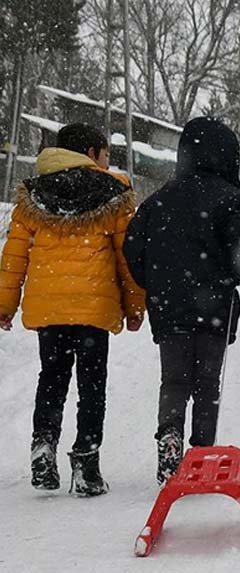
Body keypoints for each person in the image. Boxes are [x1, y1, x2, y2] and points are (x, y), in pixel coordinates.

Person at [0, 123, 145, 496]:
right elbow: (125, 257)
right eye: (106, 153)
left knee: (52, 377)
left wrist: (4, 304)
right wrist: (134, 305)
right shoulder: (113, 192)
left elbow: (14, 257)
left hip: (49, 307)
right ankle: (86, 465)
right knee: (92, 385)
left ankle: (43, 446)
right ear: (92, 153)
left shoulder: (33, 196)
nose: (108, 159)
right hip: (93, 307)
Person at [124, 117, 240, 484]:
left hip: (169, 307)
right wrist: (233, 276)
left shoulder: (158, 201)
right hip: (215, 307)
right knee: (206, 383)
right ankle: (201, 453)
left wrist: (155, 283)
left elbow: (133, 251)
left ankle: (169, 437)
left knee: (173, 380)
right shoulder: (233, 201)